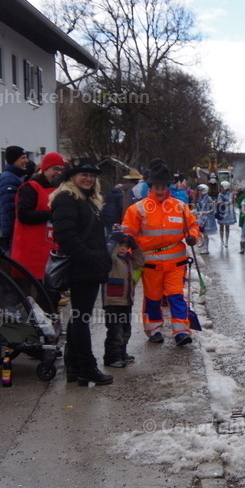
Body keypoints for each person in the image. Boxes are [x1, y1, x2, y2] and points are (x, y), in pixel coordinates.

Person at [120, 165, 200, 346]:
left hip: (176, 264)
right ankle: (154, 330)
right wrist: (129, 255)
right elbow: (128, 234)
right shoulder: (137, 209)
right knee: (153, 298)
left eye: (163, 187)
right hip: (150, 265)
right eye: (157, 187)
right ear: (150, 187)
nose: (160, 191)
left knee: (176, 296)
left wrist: (193, 237)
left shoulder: (180, 206)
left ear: (168, 187)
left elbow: (194, 225)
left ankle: (181, 332)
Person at [50, 158, 112, 386]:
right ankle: (87, 367)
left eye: (92, 175)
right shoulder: (66, 198)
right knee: (81, 318)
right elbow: (66, 238)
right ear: (71, 177)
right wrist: (92, 258)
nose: (88, 178)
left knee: (78, 317)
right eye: (83, 174)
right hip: (81, 268)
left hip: (89, 267)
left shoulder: (85, 199)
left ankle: (74, 368)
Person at [11, 152, 64, 295]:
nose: (58, 173)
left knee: (50, 295)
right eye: (55, 169)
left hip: (49, 251)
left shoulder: (60, 190)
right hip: (30, 252)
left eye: (61, 169)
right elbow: (23, 215)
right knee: (31, 296)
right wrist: (52, 215)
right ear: (45, 169)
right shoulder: (31, 188)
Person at [102, 230, 144, 368]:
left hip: (126, 301)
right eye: (120, 246)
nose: (122, 249)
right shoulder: (112, 261)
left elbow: (140, 261)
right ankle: (111, 357)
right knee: (115, 331)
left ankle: (122, 353)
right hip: (113, 302)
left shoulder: (128, 260)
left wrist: (135, 246)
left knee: (126, 330)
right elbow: (107, 255)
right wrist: (113, 241)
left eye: (125, 246)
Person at [0, 145, 29, 249]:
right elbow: (10, 207)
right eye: (23, 158)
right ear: (14, 160)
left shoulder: (15, 176)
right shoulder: (8, 178)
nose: (26, 160)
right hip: (13, 229)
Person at [193, 183, 215, 254]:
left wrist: (207, 212)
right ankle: (202, 243)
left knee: (205, 233)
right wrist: (195, 212)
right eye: (198, 190)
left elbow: (213, 209)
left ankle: (206, 248)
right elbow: (198, 208)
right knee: (200, 231)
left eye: (200, 191)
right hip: (200, 217)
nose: (198, 192)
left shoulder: (208, 198)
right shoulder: (199, 198)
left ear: (204, 191)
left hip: (206, 219)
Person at [215, 181, 236, 248]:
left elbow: (229, 202)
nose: (220, 188)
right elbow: (219, 201)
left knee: (227, 227)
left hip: (227, 211)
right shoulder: (219, 194)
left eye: (221, 187)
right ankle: (222, 241)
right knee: (221, 226)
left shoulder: (230, 194)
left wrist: (221, 202)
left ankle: (226, 241)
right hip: (221, 211)